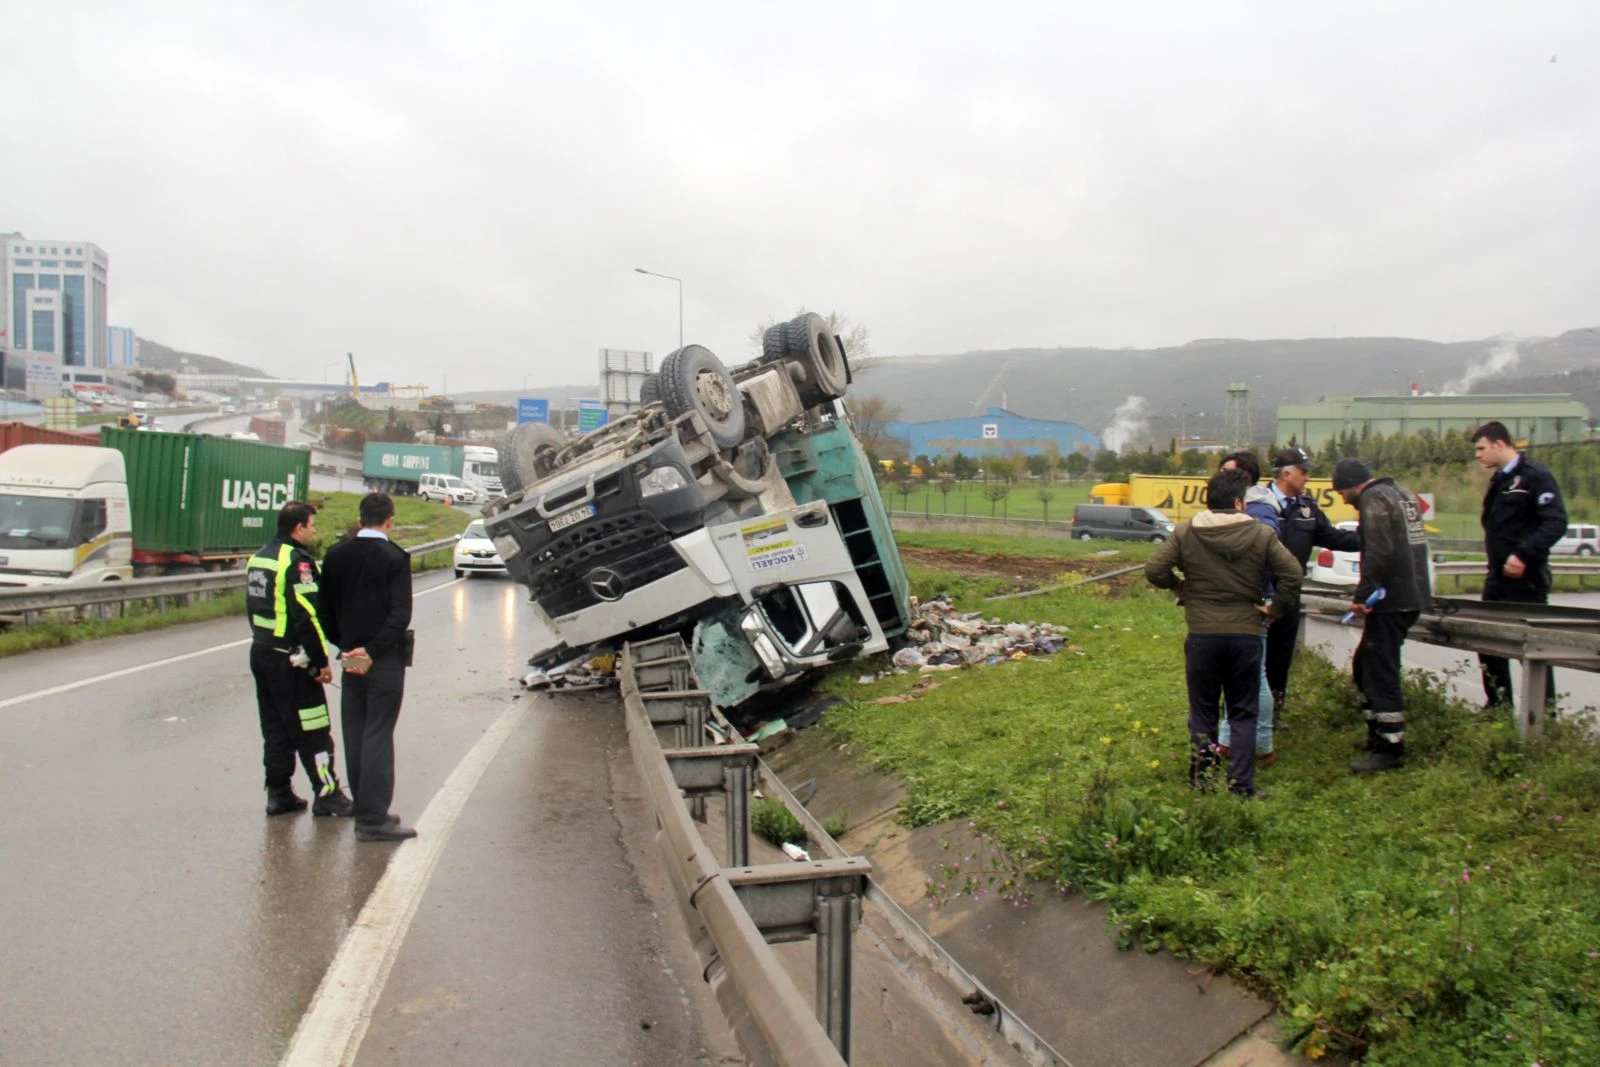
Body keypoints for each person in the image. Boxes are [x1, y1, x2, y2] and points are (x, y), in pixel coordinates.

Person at [1146, 468, 1301, 797]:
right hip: (1245, 635)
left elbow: (1155, 569)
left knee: (1203, 712)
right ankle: (1242, 786)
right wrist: (1276, 610)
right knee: (1243, 712)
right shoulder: (1261, 534)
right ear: (1238, 502)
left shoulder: (1187, 533)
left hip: (1202, 635)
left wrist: (1180, 589)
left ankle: (1202, 780)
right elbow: (1293, 573)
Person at [246, 501, 354, 817]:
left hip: (262, 652)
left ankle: (278, 794)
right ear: (298, 528)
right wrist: (320, 662)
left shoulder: (258, 558)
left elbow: (253, 609)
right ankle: (328, 793)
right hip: (291, 661)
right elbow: (307, 616)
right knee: (315, 727)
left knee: (276, 728)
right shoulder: (297, 563)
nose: (313, 531)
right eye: (312, 526)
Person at [321, 492, 417, 842]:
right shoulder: (395, 557)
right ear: (389, 520)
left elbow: (325, 610)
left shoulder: (334, 556)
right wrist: (372, 650)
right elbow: (399, 614)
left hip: (351, 659)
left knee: (356, 731)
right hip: (384, 659)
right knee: (378, 732)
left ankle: (366, 809)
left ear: (360, 520)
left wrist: (347, 648)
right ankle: (374, 820)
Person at [1332, 459, 1432, 773]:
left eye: (1342, 492)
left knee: (1380, 671)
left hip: (1391, 600)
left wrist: (1363, 596)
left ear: (1351, 485)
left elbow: (1378, 550)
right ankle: (1377, 733)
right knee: (1365, 664)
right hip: (1411, 594)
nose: (1343, 500)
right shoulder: (1401, 493)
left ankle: (1390, 748)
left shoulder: (1373, 500)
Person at [1245, 447, 1361, 706]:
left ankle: (1275, 710)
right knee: (1251, 656)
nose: (1307, 477)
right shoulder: (1256, 503)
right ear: (1286, 474)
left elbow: (1331, 537)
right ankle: (1244, 712)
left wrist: (1368, 538)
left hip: (1289, 596)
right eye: (1303, 471)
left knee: (1281, 656)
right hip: (1257, 594)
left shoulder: (1306, 508)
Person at [1472, 422, 1568, 709]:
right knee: (1488, 643)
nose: (1478, 455)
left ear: (1499, 444)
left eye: (1481, 448)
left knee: (1533, 649)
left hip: (1526, 580)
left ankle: (1544, 715)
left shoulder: (1534, 477)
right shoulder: (1500, 480)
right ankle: (1498, 707)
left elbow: (1556, 522)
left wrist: (1523, 554)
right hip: (1498, 578)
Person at [1214, 449, 1279, 765]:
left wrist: (1251, 592)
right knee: (1238, 675)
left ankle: (1262, 744)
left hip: (1252, 600)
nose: (1222, 476)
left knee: (1255, 675)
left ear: (1247, 476)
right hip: (1239, 600)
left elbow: (1269, 557)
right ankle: (1230, 739)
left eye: (1228, 471)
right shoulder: (1245, 505)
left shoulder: (1260, 509)